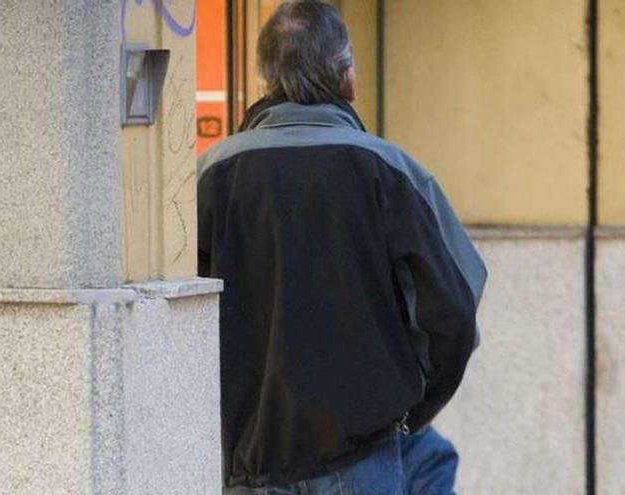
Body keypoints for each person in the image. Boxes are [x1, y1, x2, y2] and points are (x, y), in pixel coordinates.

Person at [197, 1, 487, 493]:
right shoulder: (391, 171)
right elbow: (454, 309)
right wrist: (411, 410)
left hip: (249, 458)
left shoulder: (212, 173)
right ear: (347, 77)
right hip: (361, 455)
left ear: (268, 79)